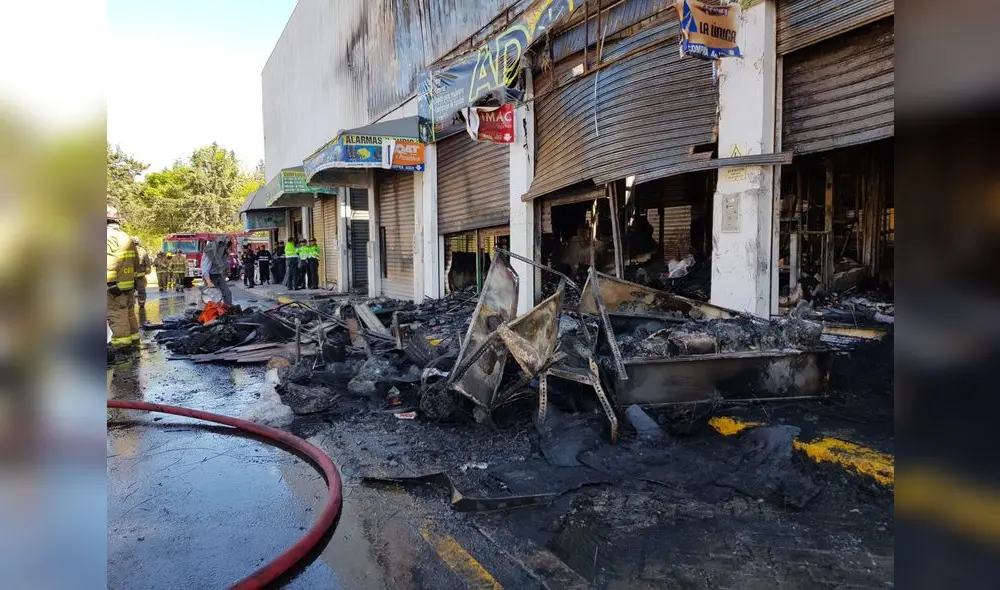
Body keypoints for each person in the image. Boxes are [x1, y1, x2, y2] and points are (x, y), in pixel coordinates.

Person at [107, 205, 139, 354]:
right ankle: (134, 340)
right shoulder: (126, 237)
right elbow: (136, 261)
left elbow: (107, 261)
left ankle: (122, 345)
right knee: (129, 312)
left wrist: (110, 282)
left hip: (113, 285)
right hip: (128, 283)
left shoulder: (106, 237)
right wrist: (134, 279)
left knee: (116, 313)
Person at [134, 237, 152, 306]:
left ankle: (141, 303)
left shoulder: (142, 251)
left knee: (140, 290)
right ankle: (135, 303)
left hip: (138, 275)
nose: (136, 245)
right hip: (132, 275)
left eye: (136, 244)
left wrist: (147, 270)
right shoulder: (129, 250)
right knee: (131, 291)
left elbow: (147, 262)